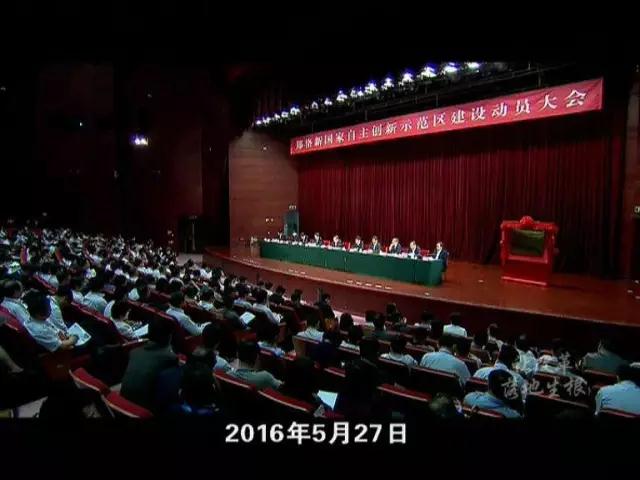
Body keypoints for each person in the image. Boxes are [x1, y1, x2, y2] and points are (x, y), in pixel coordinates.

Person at [120, 316, 179, 411]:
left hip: (123, 400)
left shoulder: (134, 352)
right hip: (145, 408)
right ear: (169, 337)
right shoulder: (170, 358)